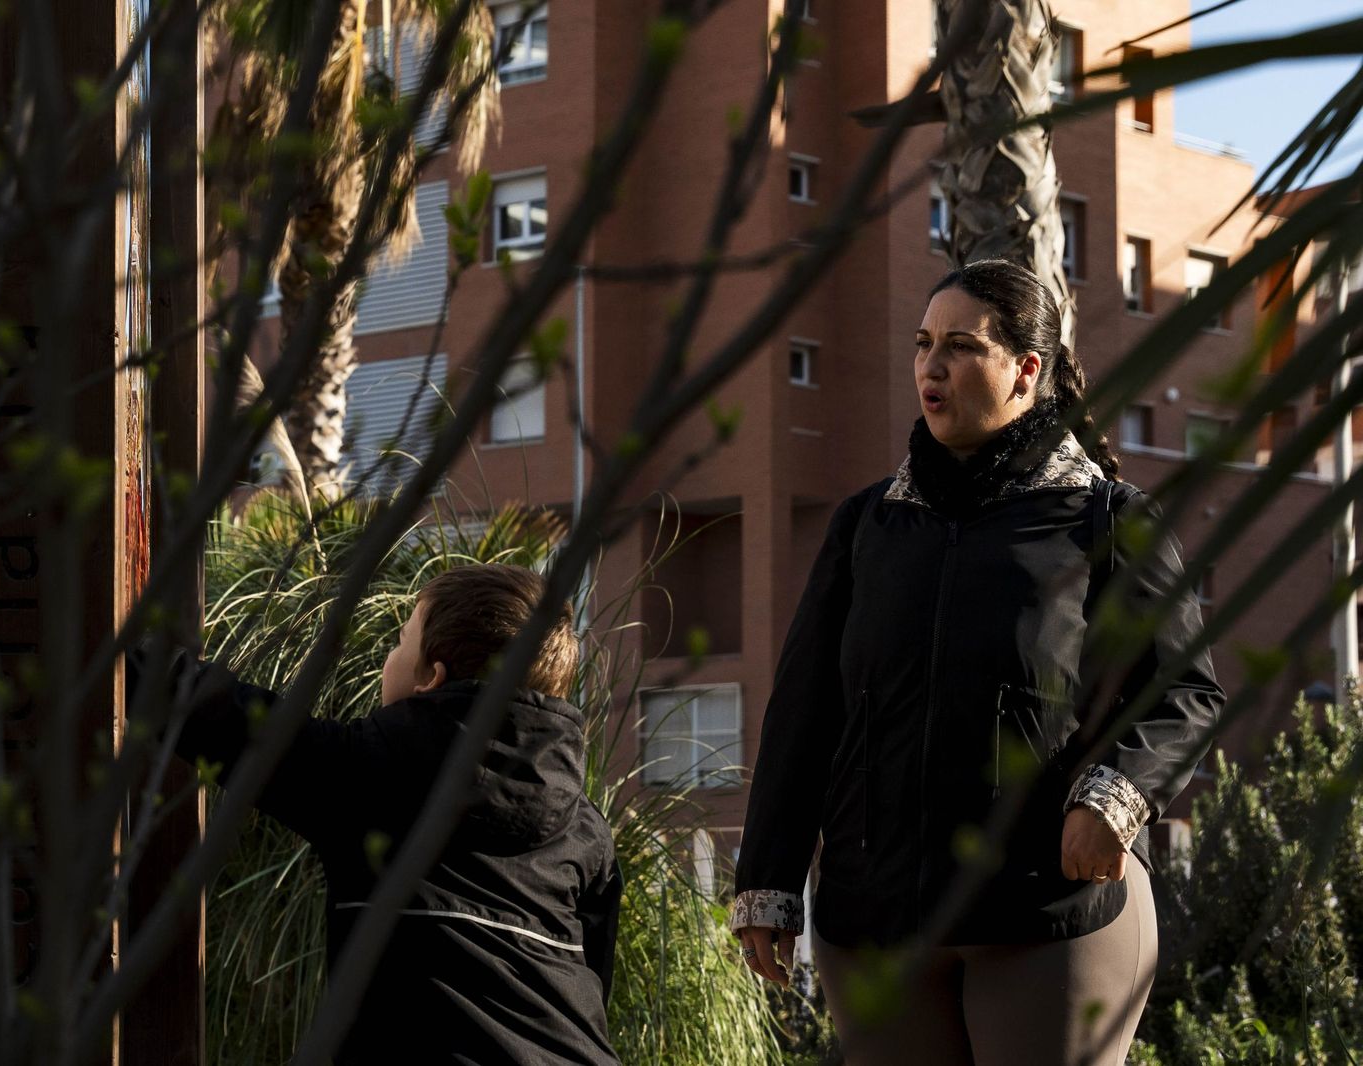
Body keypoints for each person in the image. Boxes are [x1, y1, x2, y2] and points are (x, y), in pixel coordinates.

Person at [730, 259, 1224, 1066]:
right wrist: (769, 881)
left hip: (1048, 912)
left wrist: (1114, 801)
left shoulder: (1109, 518)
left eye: (961, 346)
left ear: (1027, 370)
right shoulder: (863, 528)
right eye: (924, 344)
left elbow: (1187, 692)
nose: (931, 365)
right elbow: (804, 713)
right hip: (874, 917)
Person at [129, 563, 622, 1065]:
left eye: (401, 640)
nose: (390, 655)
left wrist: (124, 648)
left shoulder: (369, 772)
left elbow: (227, 721)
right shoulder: (586, 830)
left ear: (431, 675)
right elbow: (590, 984)